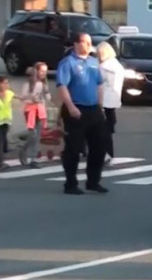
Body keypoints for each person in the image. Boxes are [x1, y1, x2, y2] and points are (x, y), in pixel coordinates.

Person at [56, 33, 108, 195]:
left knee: (100, 146)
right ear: (77, 44)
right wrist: (70, 106)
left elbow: (99, 85)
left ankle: (93, 181)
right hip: (76, 109)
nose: (89, 45)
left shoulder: (93, 62)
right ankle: (70, 183)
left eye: (90, 42)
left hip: (94, 109)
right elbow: (62, 86)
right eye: (86, 42)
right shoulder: (68, 63)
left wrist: (101, 106)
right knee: (74, 148)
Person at [20, 62, 52, 168]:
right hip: (30, 110)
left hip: (40, 110)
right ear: (36, 71)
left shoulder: (44, 84)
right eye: (42, 71)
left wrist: (46, 95)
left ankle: (33, 160)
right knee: (32, 135)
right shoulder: (29, 84)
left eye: (45, 71)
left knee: (37, 135)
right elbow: (23, 97)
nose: (44, 73)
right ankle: (24, 150)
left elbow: (48, 98)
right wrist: (32, 98)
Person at [97, 42, 124, 165]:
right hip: (114, 100)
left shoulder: (103, 67)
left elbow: (97, 83)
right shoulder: (117, 66)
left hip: (104, 101)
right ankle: (109, 153)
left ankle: (105, 153)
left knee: (102, 130)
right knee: (109, 128)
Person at [0, 76, 14, 171]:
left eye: (7, 83)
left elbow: (20, 97)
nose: (6, 85)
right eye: (4, 83)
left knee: (3, 141)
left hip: (6, 122)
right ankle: (1, 163)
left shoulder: (9, 93)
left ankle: (2, 161)